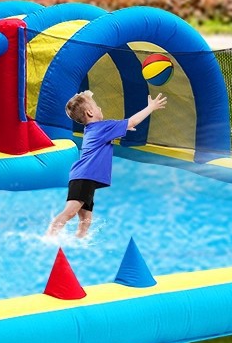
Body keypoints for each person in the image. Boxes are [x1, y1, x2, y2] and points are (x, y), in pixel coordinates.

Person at [47, 88, 168, 241]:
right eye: (97, 106)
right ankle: (49, 237)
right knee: (70, 212)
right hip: (84, 177)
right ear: (90, 113)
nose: (100, 108)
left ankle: (78, 240)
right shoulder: (102, 127)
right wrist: (151, 107)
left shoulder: (95, 129)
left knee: (86, 220)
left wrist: (123, 126)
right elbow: (132, 121)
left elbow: (122, 127)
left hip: (86, 178)